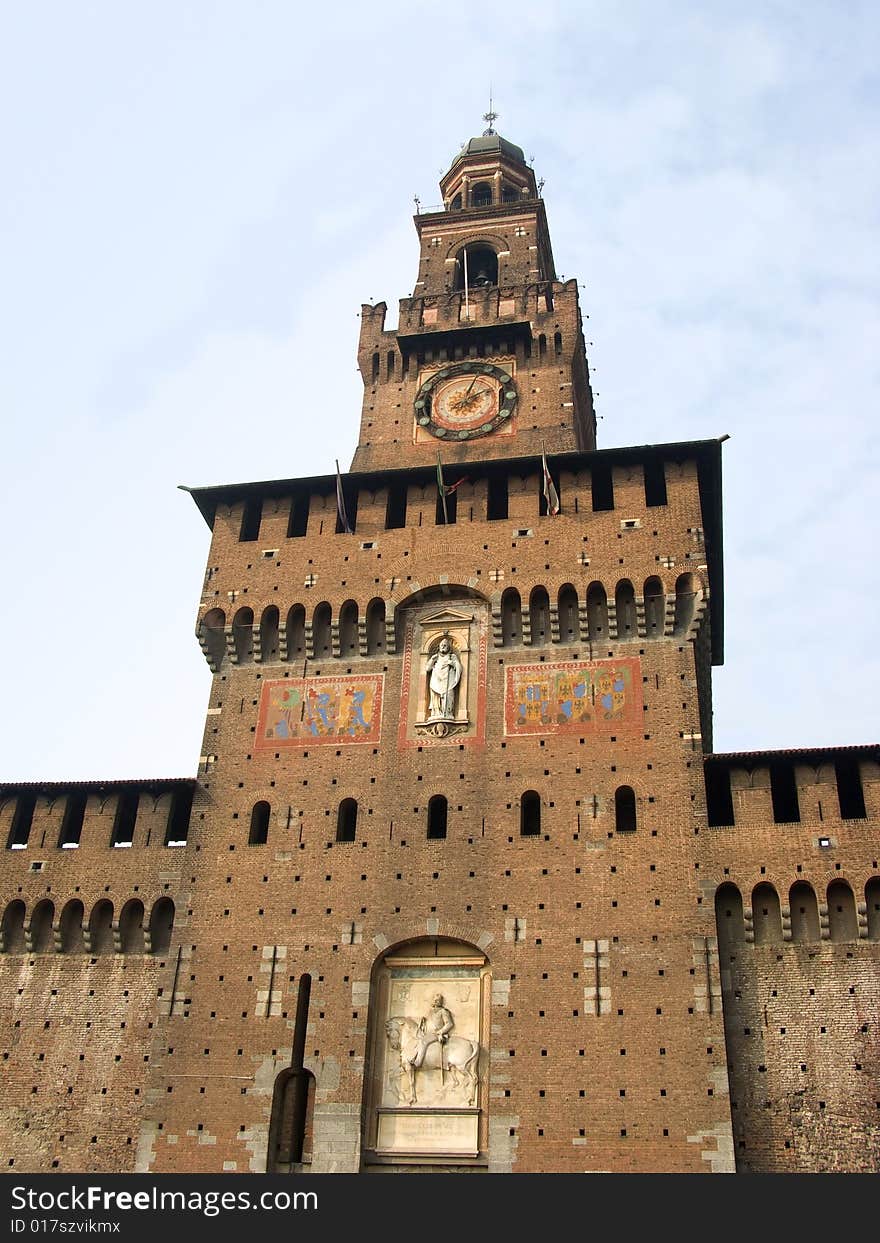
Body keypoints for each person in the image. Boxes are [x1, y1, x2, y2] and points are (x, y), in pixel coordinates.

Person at [411, 994, 455, 1069]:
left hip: (438, 1034)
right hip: (428, 1033)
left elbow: (449, 1024)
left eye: (437, 1000)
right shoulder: (430, 1012)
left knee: (423, 1041)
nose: (435, 1001)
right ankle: (414, 1056)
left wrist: (441, 1032)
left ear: (441, 1002)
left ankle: (418, 1063)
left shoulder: (443, 1011)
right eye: (434, 1000)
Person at [426, 636, 462, 719]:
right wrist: (432, 660)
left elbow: (459, 668)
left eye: (445, 645)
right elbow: (427, 669)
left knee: (448, 695)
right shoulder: (435, 657)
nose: (443, 646)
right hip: (436, 681)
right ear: (439, 647)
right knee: (436, 698)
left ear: (448, 647)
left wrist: (452, 664)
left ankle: (448, 713)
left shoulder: (452, 657)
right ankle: (436, 713)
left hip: (448, 681)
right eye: (441, 645)